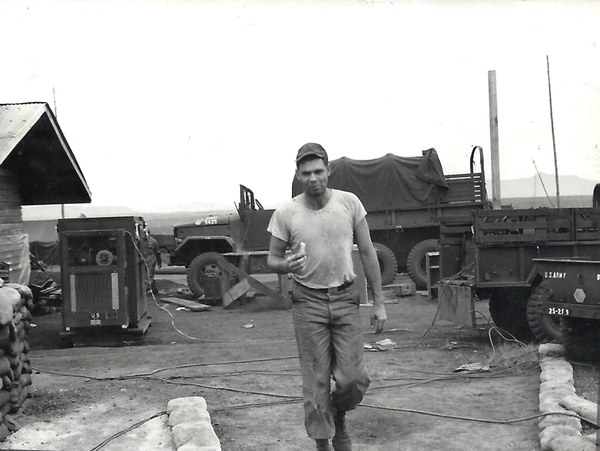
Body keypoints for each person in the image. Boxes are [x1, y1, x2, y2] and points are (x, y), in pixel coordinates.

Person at [267, 143, 387, 451]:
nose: (313, 178)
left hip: (346, 298)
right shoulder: (286, 212)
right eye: (306, 173)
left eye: (318, 171)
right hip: (308, 302)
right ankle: (323, 443)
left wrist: (379, 302)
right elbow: (272, 260)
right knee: (316, 381)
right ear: (298, 175)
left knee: (353, 379)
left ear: (328, 171)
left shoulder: (349, 204)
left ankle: (339, 413)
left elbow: (369, 253)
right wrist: (285, 265)